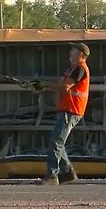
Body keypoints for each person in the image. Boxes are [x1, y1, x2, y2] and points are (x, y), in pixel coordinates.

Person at [32, 43, 90, 186]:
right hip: (67, 109)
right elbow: (60, 87)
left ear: (81, 55)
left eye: (73, 50)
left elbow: (64, 87)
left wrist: (44, 85)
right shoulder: (71, 70)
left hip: (71, 110)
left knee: (56, 142)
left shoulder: (80, 69)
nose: (70, 52)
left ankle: (52, 176)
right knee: (58, 142)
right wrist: (41, 86)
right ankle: (68, 173)